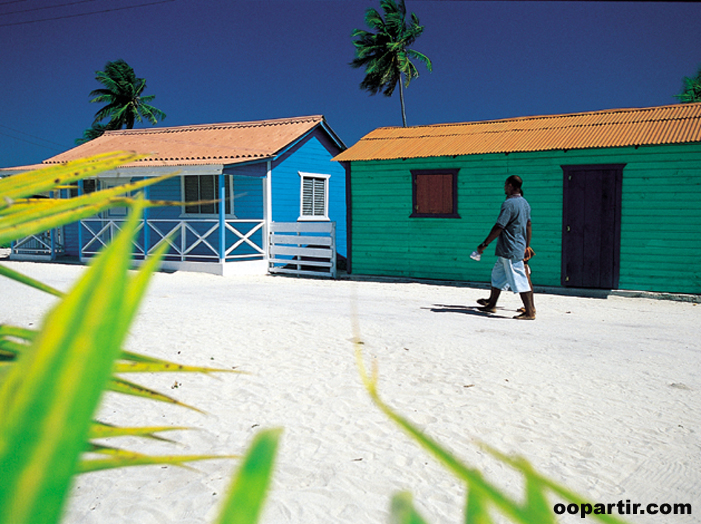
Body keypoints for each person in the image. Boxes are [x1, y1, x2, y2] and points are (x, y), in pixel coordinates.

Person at [475, 175, 536, 320]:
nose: (504, 187)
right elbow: (528, 225)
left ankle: (529, 311)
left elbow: (499, 226)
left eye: (505, 185)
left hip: (510, 248)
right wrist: (526, 245)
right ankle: (491, 304)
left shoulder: (509, 204)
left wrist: (484, 244)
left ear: (510, 186)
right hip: (513, 248)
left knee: (520, 279)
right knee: (497, 276)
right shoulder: (525, 203)